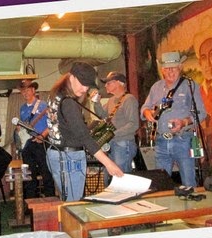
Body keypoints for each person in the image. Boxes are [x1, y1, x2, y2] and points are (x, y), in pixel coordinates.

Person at [45, 62, 123, 201]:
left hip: (55, 153)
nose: (85, 89)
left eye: (87, 85)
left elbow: (65, 126)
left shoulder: (56, 94)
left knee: (68, 202)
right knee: (74, 205)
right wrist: (108, 163)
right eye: (82, 83)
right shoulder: (69, 102)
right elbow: (83, 136)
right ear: (72, 77)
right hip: (69, 158)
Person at [140, 51, 207, 189]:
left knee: (189, 183)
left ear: (180, 67)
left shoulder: (190, 85)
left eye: (174, 68)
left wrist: (184, 122)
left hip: (183, 140)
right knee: (160, 185)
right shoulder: (156, 87)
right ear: (162, 70)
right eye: (167, 68)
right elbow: (144, 108)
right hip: (161, 141)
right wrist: (147, 113)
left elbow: (201, 113)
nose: (170, 71)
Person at [92, 71, 140, 187]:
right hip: (114, 144)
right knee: (111, 176)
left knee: (120, 177)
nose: (106, 85)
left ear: (120, 83)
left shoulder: (129, 99)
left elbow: (133, 124)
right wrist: (96, 103)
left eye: (109, 83)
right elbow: (103, 116)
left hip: (124, 143)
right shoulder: (111, 100)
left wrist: (112, 134)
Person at [16, 79, 55, 198]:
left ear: (33, 90)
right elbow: (25, 125)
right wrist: (20, 129)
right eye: (23, 91)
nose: (25, 93)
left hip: (42, 142)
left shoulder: (43, 105)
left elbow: (53, 123)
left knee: (46, 173)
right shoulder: (22, 108)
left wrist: (43, 135)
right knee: (29, 174)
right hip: (28, 144)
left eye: (28, 90)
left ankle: (50, 200)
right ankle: (30, 202)